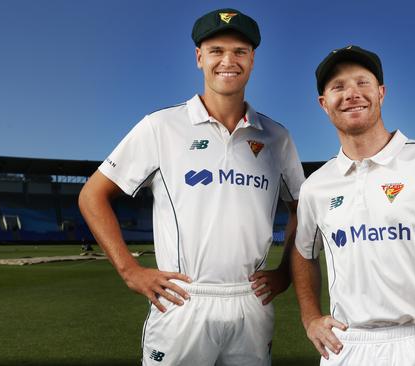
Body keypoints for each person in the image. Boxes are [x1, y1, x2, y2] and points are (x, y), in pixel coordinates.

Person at [78, 8, 305, 366]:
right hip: (183, 298)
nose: (228, 61)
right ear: (199, 57)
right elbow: (92, 194)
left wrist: (284, 273)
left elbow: (301, 210)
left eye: (239, 52)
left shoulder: (277, 137)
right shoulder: (161, 126)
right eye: (216, 50)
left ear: (252, 60)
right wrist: (130, 270)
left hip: (251, 300)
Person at [291, 45, 415, 366]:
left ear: (381, 92)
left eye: (362, 83)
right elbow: (302, 252)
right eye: (338, 87)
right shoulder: (316, 185)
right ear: (324, 104)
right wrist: (310, 317)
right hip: (345, 345)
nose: (351, 94)